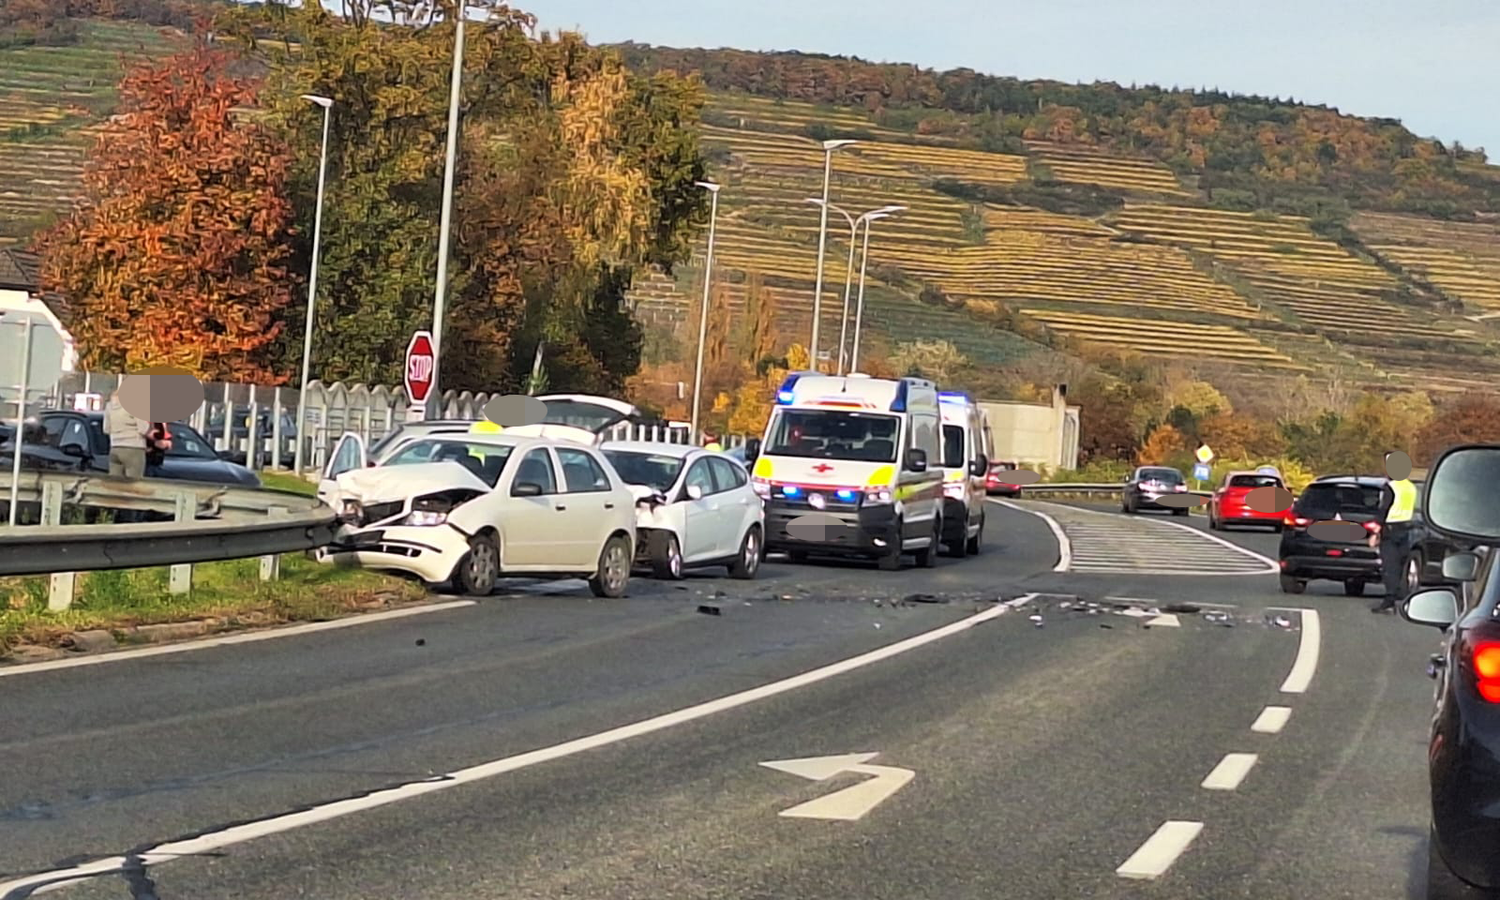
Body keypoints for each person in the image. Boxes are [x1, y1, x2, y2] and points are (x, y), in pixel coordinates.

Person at [1371, 451, 1419, 613]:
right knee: (1400, 567)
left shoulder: (1391, 487)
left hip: (1391, 531)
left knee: (1390, 566)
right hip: (1407, 529)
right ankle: (1402, 599)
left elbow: (1384, 509)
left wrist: (1375, 532)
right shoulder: (1410, 487)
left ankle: (1389, 601)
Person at [103, 382, 151, 478]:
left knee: (114, 482)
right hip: (133, 448)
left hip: (115, 447)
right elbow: (143, 429)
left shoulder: (109, 406)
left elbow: (106, 429)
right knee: (134, 482)